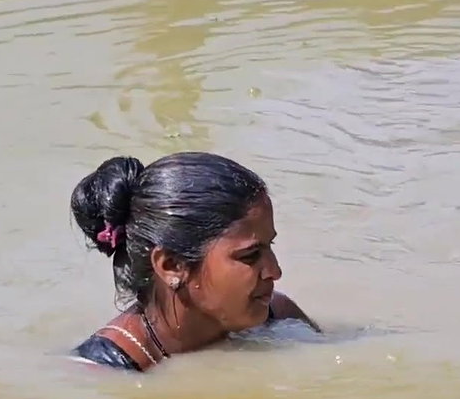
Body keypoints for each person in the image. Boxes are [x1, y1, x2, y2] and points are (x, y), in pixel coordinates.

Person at [69, 152, 318, 371]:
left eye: (269, 246)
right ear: (172, 266)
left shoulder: (278, 315)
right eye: (250, 255)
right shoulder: (104, 371)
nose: (275, 272)